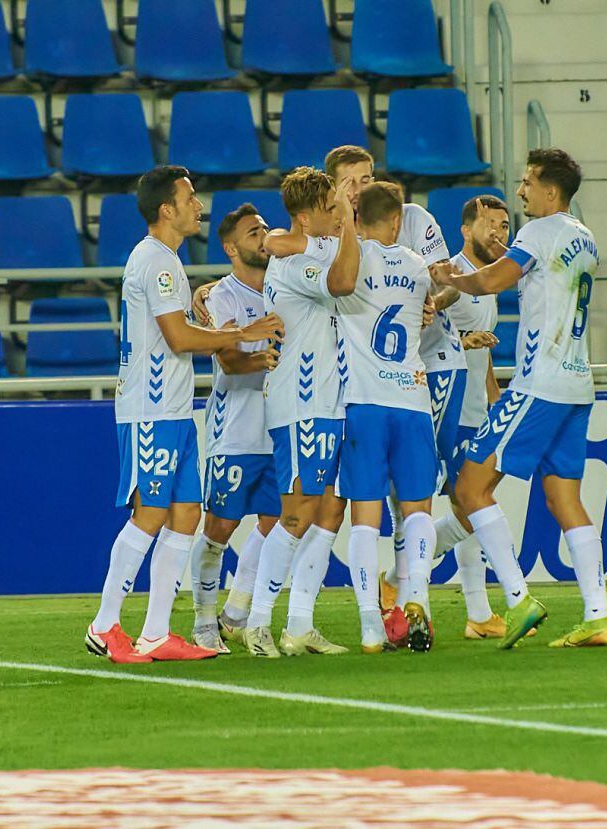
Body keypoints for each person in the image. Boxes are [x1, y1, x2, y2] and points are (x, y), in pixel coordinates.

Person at [86, 166, 282, 664]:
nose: (199, 205)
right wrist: (240, 332)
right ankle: (105, 624)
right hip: (149, 408)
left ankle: (155, 632)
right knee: (150, 513)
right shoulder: (158, 261)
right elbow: (178, 338)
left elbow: (178, 329)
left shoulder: (162, 260)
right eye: (190, 197)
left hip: (173, 407)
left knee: (186, 515)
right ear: (167, 209)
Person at [432, 148, 607, 650]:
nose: (520, 191)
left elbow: (494, 279)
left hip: (540, 384)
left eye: (528, 182)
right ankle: (598, 616)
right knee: (563, 498)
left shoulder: (538, 232)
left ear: (550, 192)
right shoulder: (585, 237)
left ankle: (517, 600)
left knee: (470, 488)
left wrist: (450, 276)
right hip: (577, 385)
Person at [244, 166, 358, 658]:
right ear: (307, 215)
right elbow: (344, 281)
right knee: (295, 514)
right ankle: (255, 623)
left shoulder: (300, 248)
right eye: (330, 208)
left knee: (330, 506)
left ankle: (300, 624)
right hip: (302, 400)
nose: (338, 216)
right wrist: (350, 223)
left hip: (327, 401)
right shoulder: (294, 266)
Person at [336, 182, 438, 653]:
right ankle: (415, 600)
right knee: (417, 510)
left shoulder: (350, 262)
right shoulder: (417, 268)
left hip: (365, 402)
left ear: (359, 220)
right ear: (397, 221)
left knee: (364, 520)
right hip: (413, 403)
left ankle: (370, 625)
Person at [188, 204, 280, 653]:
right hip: (237, 431)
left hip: (281, 428)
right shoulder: (222, 296)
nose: (262, 237)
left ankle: (236, 613)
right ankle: (203, 621)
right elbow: (226, 358)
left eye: (263, 228)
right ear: (231, 247)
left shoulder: (284, 285)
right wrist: (263, 354)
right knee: (220, 527)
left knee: (279, 521)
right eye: (252, 233)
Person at [443, 195, 512, 640]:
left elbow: (483, 350)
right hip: (444, 409)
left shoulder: (489, 282)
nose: (500, 234)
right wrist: (462, 342)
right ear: (467, 230)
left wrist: (493, 394)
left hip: (473, 410)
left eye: (505, 226)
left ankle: (478, 614)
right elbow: (420, 330)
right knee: (469, 504)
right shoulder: (447, 277)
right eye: (491, 225)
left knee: (470, 504)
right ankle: (399, 577)